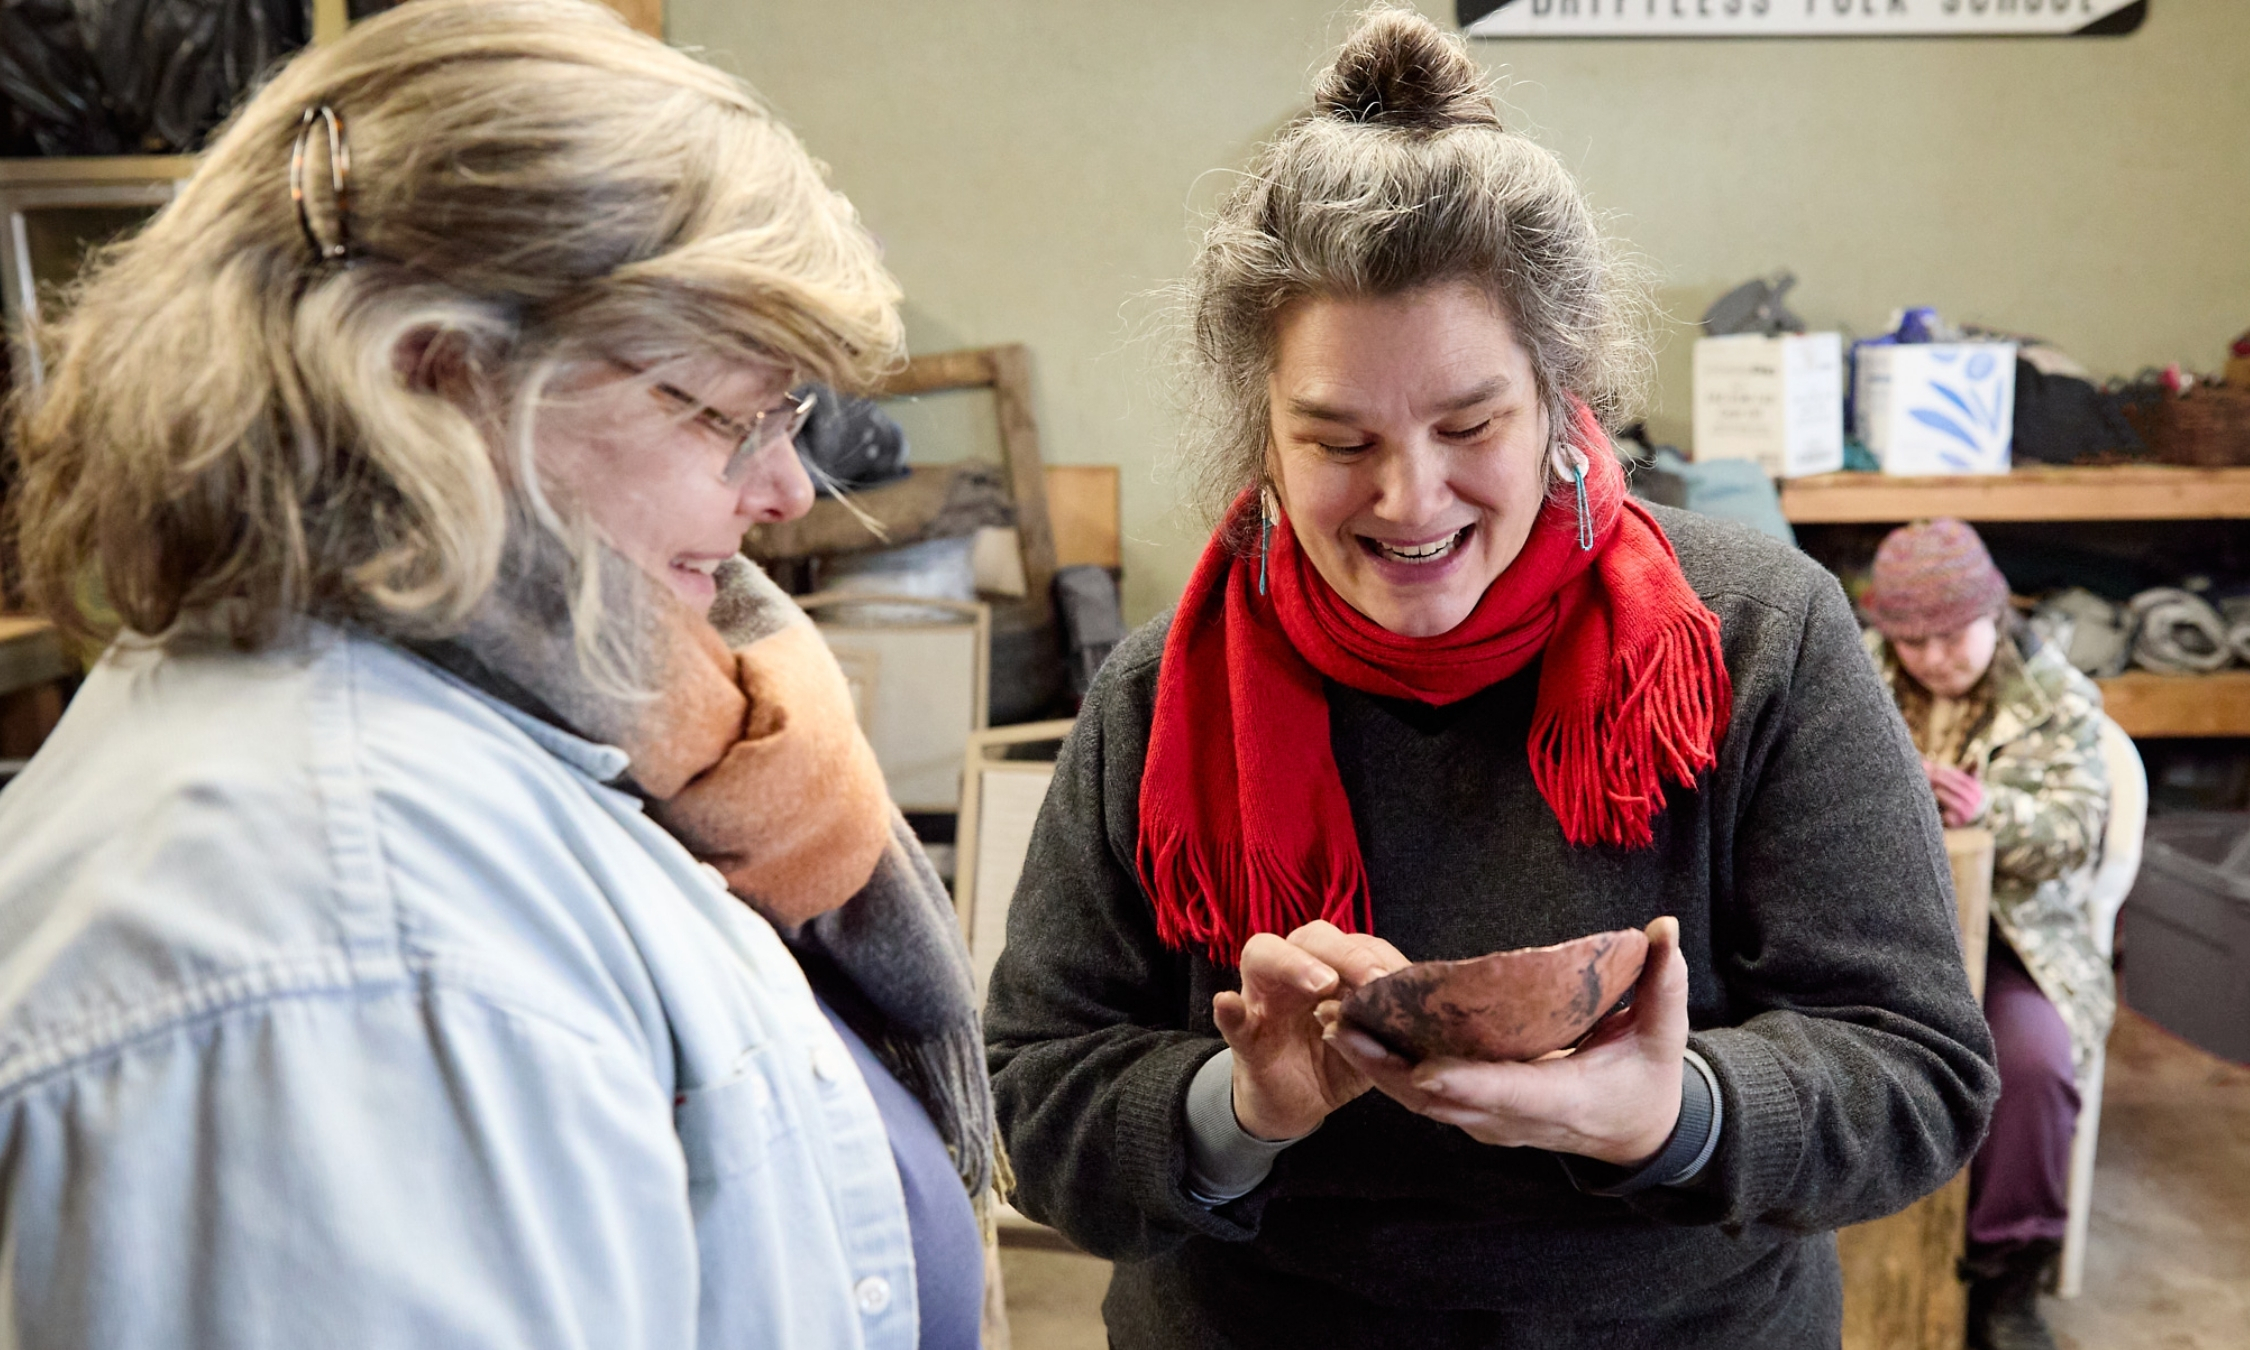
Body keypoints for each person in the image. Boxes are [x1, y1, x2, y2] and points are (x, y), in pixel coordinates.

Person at [983, 10, 1999, 1347]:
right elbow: (1035, 1098)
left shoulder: (1756, 641)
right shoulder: (1159, 696)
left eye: (1469, 425)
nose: (1409, 498)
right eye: (1334, 437)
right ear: (1263, 433)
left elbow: (1916, 1069)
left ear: (1560, 397)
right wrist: (1235, 1107)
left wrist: (1674, 1109)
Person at [0, 2, 994, 1346]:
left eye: (791, 419)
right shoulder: (345, 939)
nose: (781, 490)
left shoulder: (534, 718)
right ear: (436, 382)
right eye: (731, 415)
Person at [1861, 518, 2113, 1350]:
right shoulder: (1856, 671)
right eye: (1912, 639)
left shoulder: (2056, 695)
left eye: (1950, 634)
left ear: (1994, 613)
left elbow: (2077, 828)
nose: (1933, 657)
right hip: (1874, 922)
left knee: (2033, 1064)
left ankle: (2006, 1275)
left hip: (2011, 932)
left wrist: (1988, 811)